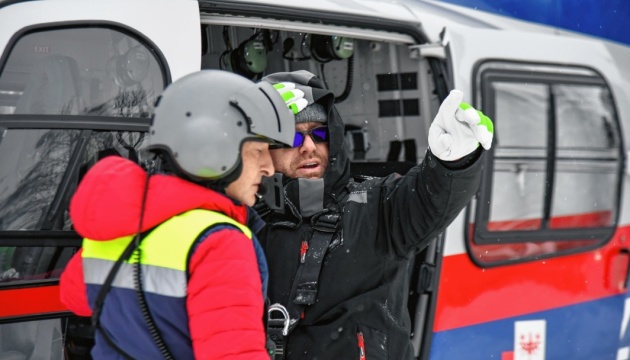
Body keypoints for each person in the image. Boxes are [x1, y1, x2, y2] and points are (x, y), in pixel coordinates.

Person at [59, 70, 296, 359]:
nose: (269, 168)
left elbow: (74, 296)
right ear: (212, 151)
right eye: (258, 151)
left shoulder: (123, 225)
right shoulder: (220, 241)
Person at [256, 70, 493, 359]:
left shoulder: (377, 205)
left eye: (320, 133)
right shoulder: (244, 221)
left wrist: (454, 162)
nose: (308, 147)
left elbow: (432, 195)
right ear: (263, 147)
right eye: (291, 136)